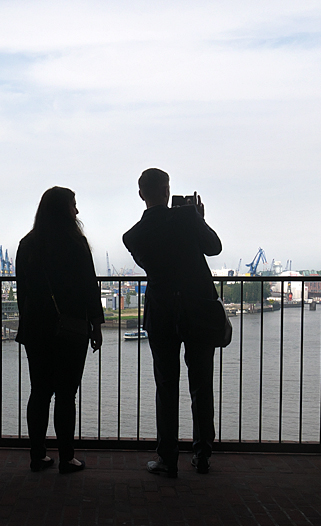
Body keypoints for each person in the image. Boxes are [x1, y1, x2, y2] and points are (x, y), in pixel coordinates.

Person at [122, 168, 223, 478]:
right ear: (167, 191)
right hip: (199, 311)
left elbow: (152, 264)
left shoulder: (133, 235)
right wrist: (198, 217)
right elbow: (214, 247)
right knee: (201, 385)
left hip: (162, 313)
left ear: (142, 194)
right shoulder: (188, 219)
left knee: (166, 387)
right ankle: (202, 454)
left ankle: (167, 458)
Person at [15, 187, 103, 474]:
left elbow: (23, 294)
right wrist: (96, 325)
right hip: (72, 327)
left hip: (36, 329)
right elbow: (90, 287)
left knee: (39, 392)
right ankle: (67, 457)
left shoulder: (27, 245)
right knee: (66, 395)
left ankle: (37, 455)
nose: (76, 211)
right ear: (63, 210)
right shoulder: (76, 244)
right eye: (73, 205)